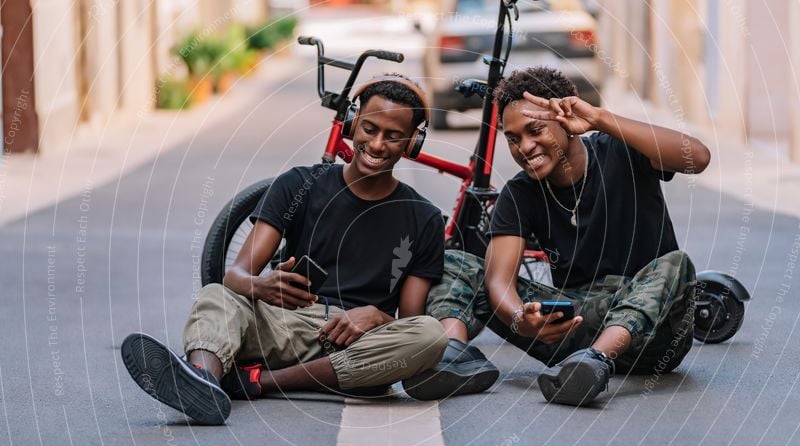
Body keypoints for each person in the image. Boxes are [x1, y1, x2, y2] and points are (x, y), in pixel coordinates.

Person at [120, 74, 455, 425]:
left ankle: (256, 381)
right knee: (217, 295)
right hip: (283, 324)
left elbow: (412, 319)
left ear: (412, 143)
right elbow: (236, 275)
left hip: (359, 342)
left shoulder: (425, 218)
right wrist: (260, 286)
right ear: (353, 124)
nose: (377, 144)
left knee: (430, 334)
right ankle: (201, 380)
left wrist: (375, 316)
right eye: (369, 129)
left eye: (393, 135)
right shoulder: (299, 184)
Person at [417, 66, 709, 406]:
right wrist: (520, 320)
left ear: (566, 119)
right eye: (512, 138)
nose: (524, 146)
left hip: (651, 333)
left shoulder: (620, 151)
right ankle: (454, 358)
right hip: (573, 326)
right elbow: (499, 281)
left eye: (535, 129)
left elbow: (698, 157)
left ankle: (595, 363)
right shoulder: (519, 194)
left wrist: (600, 118)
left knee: (675, 264)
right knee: (454, 262)